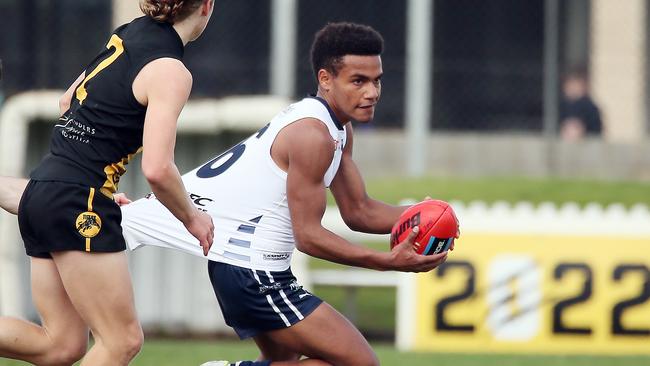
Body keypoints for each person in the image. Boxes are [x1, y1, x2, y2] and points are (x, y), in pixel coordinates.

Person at [0, 22, 454, 365]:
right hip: (255, 274)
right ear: (325, 78)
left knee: (63, 345)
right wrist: (388, 262)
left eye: (377, 80)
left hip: (246, 268)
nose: (372, 91)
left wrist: (422, 213)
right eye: (359, 80)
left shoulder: (336, 130)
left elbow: (359, 211)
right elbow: (309, 237)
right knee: (361, 363)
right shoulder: (312, 136)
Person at [0, 1, 215, 365]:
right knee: (122, 341)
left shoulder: (129, 32)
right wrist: (193, 219)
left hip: (47, 189)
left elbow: (68, 101)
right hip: (76, 199)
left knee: (62, 346)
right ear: (207, 6)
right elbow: (159, 169)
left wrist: (94, 186)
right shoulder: (171, 71)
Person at [559, 66, 603, 141]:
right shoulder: (560, 106)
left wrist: (582, 131)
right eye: (570, 85)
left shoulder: (590, 107)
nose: (572, 88)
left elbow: (597, 131)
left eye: (575, 84)